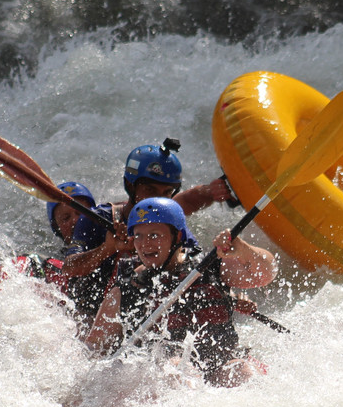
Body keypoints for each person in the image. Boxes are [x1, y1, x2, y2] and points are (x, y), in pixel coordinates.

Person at [85, 197, 276, 388]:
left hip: (221, 364)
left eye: (154, 235)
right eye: (139, 236)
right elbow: (95, 348)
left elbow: (266, 273)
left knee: (243, 371)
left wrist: (242, 250)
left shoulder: (210, 267)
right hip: (167, 375)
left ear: (177, 237)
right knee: (177, 369)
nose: (144, 244)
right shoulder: (128, 289)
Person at [60, 138, 236, 327]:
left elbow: (200, 265)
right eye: (150, 189)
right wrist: (108, 248)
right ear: (130, 185)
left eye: (166, 192)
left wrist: (233, 294)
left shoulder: (172, 226)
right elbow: (69, 268)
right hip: (89, 316)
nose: (157, 198)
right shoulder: (95, 220)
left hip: (133, 317)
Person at [0, 180, 95, 296]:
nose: (75, 220)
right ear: (57, 227)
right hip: (74, 293)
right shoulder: (49, 263)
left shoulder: (110, 238)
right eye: (66, 218)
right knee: (23, 262)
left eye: (80, 213)